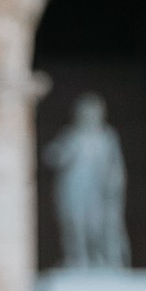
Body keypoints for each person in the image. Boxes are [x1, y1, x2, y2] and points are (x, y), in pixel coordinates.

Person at [44, 89, 130, 272]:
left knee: (96, 224)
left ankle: (100, 257)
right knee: (75, 222)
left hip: (97, 188)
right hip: (74, 186)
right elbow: (55, 155)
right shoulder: (72, 135)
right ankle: (77, 257)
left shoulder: (106, 137)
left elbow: (115, 165)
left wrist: (113, 183)